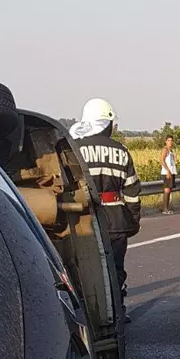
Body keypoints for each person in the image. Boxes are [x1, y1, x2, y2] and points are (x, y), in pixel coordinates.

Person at [70, 97, 141, 323]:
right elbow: (132, 191)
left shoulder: (74, 149)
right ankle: (117, 311)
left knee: (84, 268)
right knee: (115, 268)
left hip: (83, 221)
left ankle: (90, 314)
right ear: (107, 123)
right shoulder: (121, 151)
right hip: (115, 221)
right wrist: (132, 221)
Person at [160, 134, 177, 214]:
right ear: (166, 141)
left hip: (171, 171)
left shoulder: (171, 151)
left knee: (169, 190)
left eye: (171, 140)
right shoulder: (165, 150)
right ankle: (165, 209)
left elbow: (172, 161)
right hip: (167, 172)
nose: (170, 142)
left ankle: (167, 208)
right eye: (168, 140)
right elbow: (162, 160)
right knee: (166, 190)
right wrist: (168, 171)